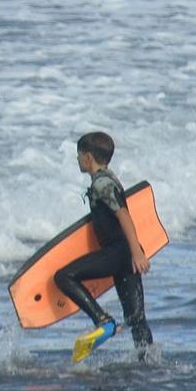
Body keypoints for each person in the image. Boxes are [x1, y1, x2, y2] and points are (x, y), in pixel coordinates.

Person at [53, 132, 154, 362]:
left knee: (64, 277)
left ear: (88, 157)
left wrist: (137, 253)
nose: (77, 160)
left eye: (79, 156)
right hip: (126, 254)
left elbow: (124, 216)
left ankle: (102, 320)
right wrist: (134, 251)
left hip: (118, 253)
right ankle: (148, 363)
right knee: (136, 318)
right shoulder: (109, 179)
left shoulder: (101, 184)